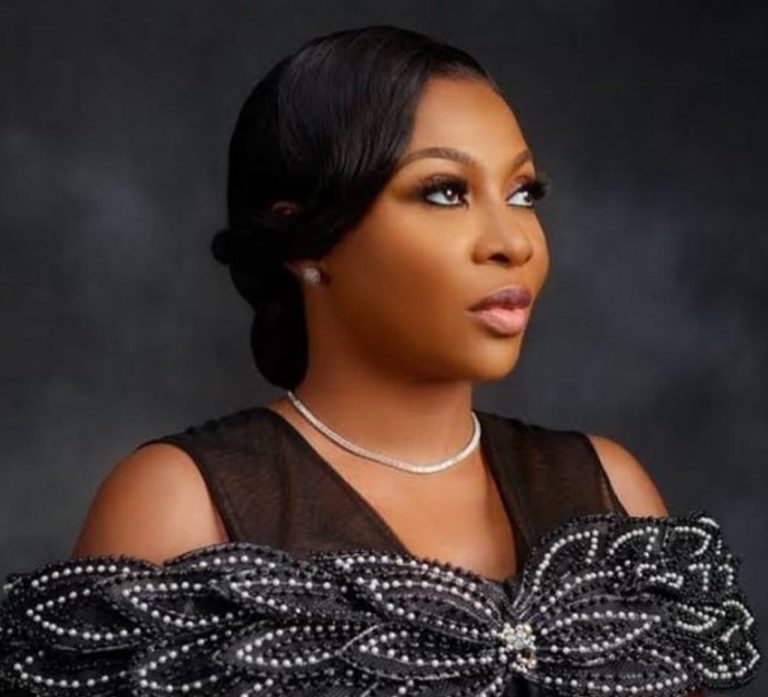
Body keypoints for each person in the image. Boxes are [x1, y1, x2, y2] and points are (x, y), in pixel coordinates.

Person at [0, 24, 759, 697]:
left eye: (524, 193)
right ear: (306, 242)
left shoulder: (610, 490)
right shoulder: (179, 502)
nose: (513, 241)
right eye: (444, 192)